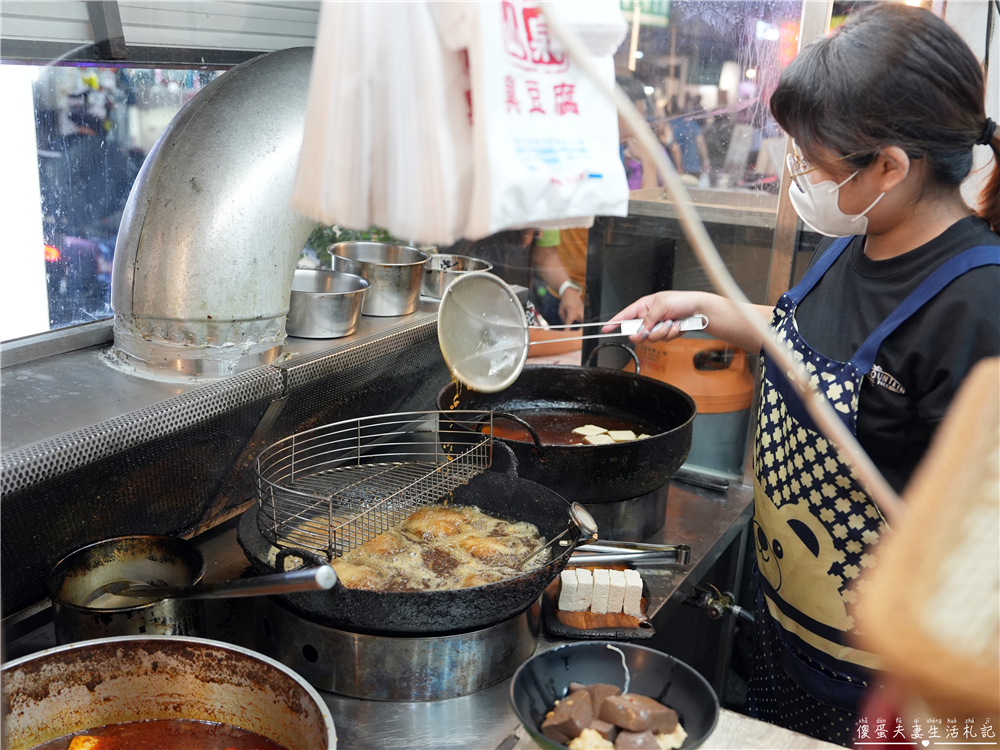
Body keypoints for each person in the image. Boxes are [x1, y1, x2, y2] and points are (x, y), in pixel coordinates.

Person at [605, 5, 999, 746]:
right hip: (786, 627)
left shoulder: (978, 307)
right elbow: (800, 336)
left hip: (879, 681)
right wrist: (705, 306)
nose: (800, 177)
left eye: (814, 162)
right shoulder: (864, 236)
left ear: (890, 166)